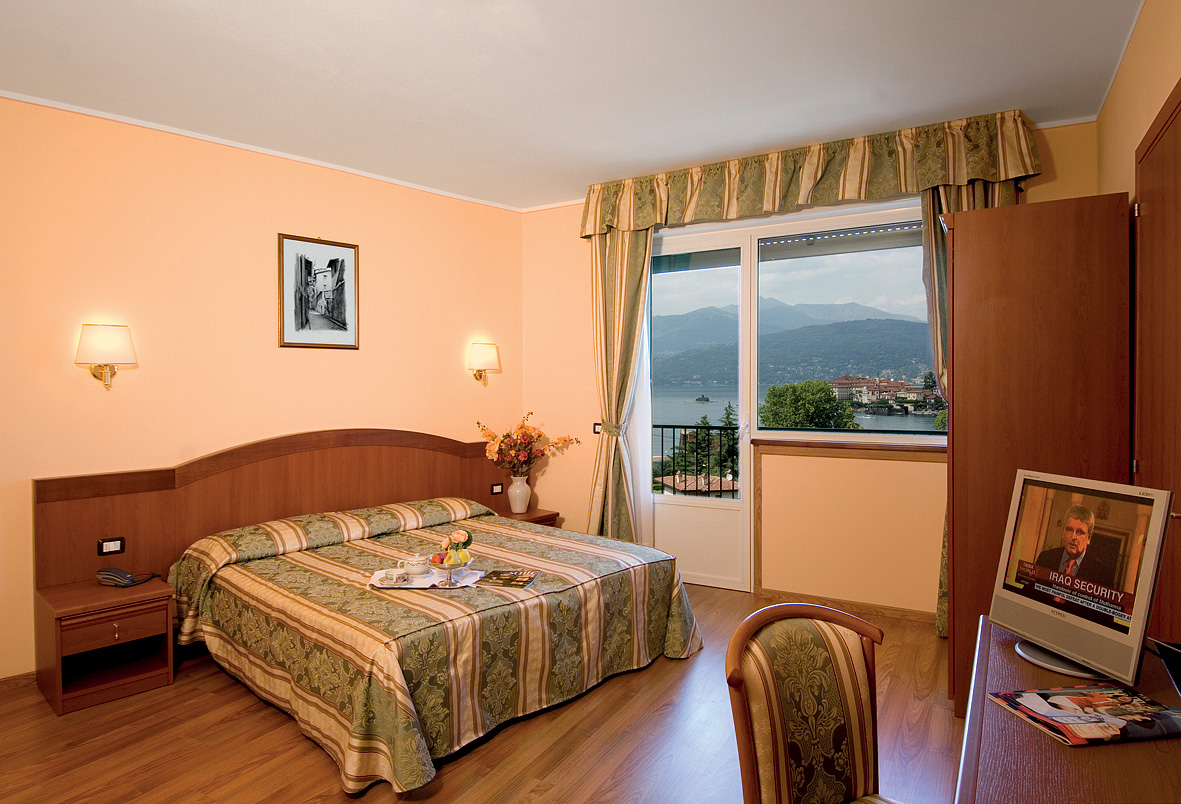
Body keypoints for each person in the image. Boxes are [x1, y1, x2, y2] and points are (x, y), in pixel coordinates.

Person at [1035, 504, 1117, 588]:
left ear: (1089, 538)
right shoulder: (1045, 558)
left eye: (1080, 532)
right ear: (1063, 532)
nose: (1073, 537)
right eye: (1069, 530)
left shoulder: (1102, 573)